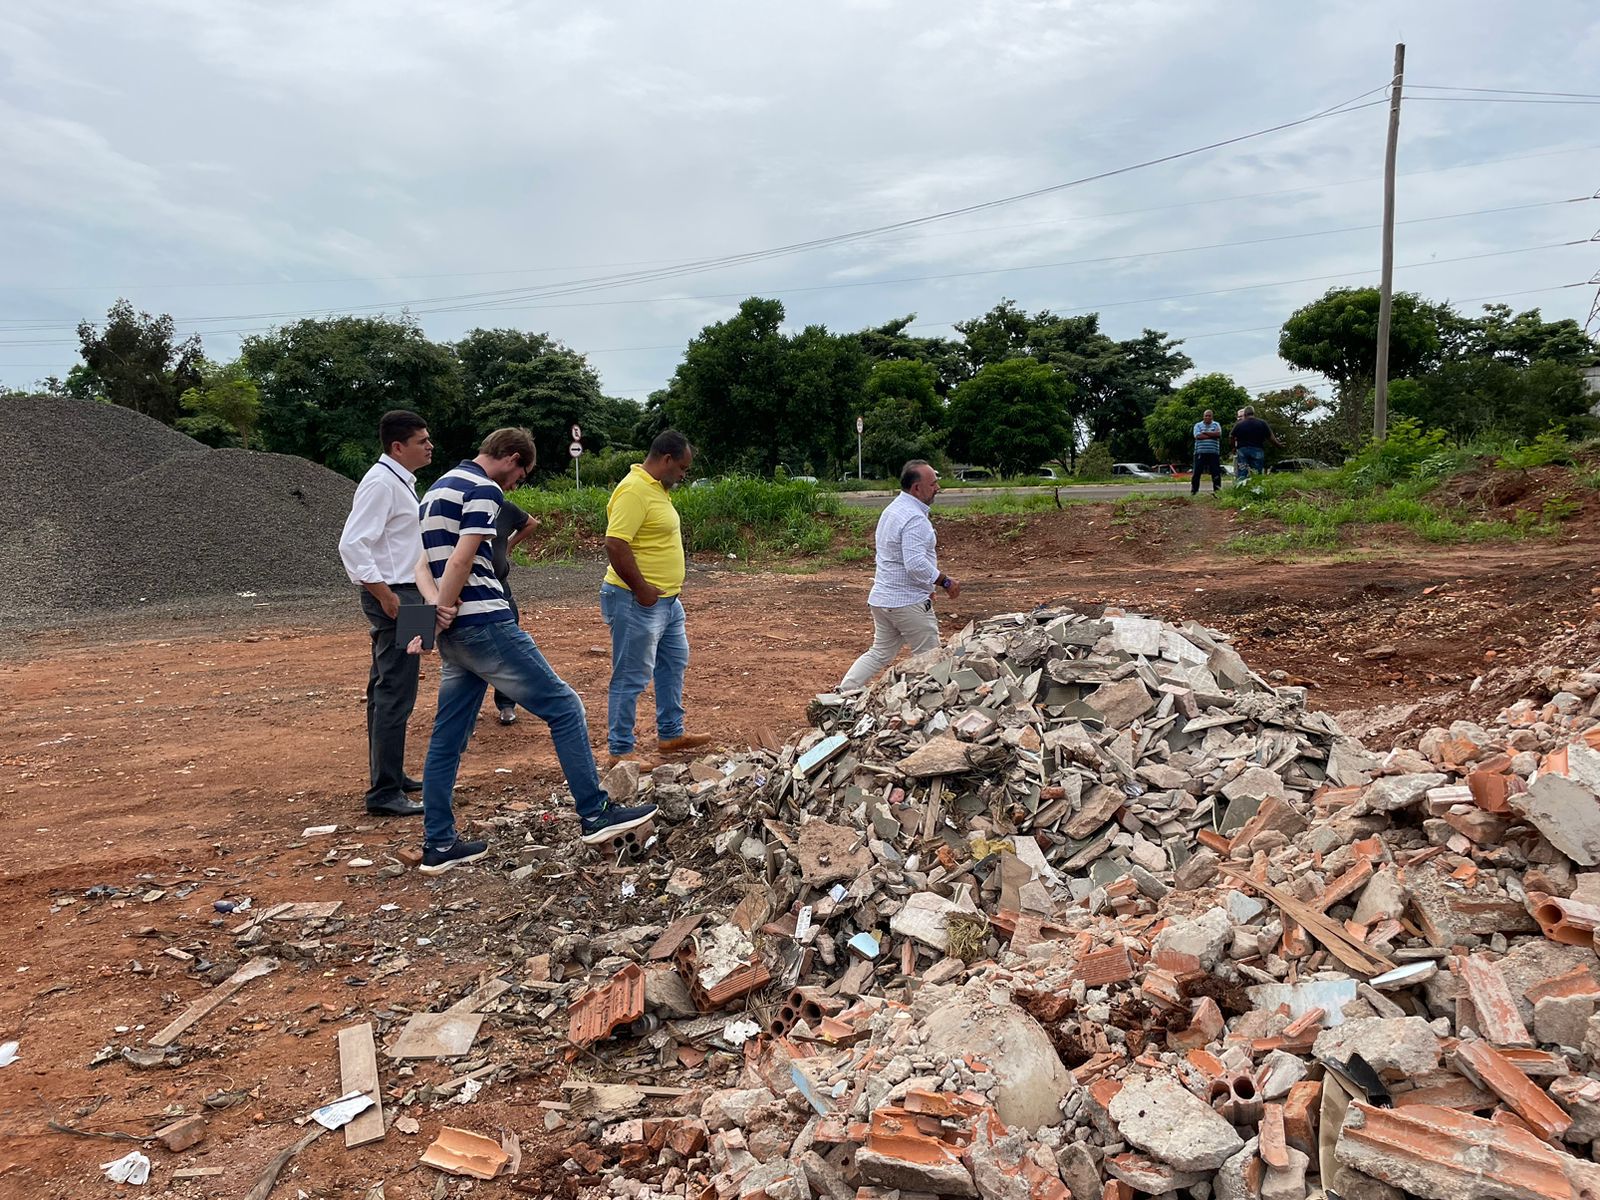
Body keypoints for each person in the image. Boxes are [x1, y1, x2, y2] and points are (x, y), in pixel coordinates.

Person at [414, 427, 654, 874]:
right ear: (510, 456)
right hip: (486, 622)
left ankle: (439, 843)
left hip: (453, 635)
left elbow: (419, 562)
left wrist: (433, 610)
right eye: (519, 475)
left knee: (448, 736)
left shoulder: (436, 488)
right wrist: (445, 604)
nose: (515, 485)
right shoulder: (482, 488)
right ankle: (595, 814)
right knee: (564, 707)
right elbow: (464, 558)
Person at [338, 410, 432, 818]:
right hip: (399, 594)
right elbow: (353, 545)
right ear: (398, 446)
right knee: (396, 691)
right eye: (422, 441)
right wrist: (385, 594)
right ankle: (384, 792)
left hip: (408, 592)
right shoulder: (381, 483)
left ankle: (390, 776)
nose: (430, 447)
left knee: (387, 689)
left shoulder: (399, 482)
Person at [601, 430, 712, 765]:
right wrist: (642, 589)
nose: (683, 475)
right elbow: (615, 543)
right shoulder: (634, 490)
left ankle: (670, 733)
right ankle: (620, 751)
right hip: (635, 600)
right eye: (681, 468)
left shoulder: (657, 489)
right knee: (631, 675)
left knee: (672, 663)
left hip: (667, 603)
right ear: (666, 460)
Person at [838, 460, 960, 692]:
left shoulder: (893, 510)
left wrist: (927, 589)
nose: (938, 488)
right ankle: (925, 711)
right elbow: (914, 563)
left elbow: (895, 558)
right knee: (931, 659)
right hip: (906, 603)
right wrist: (945, 581)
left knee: (879, 652)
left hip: (883, 599)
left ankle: (841, 693)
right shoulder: (914, 519)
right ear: (916, 488)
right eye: (933, 484)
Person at [488, 496, 537, 726]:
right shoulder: (464, 505)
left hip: (500, 586)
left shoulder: (503, 507)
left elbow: (531, 523)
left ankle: (506, 704)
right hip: (471, 589)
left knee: (508, 647)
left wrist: (507, 546)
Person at [1232, 405, 1281, 483]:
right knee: (1257, 473)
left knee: (1242, 471)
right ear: (1253, 413)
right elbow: (1270, 437)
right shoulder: (1262, 423)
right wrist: (1278, 445)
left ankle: (1241, 489)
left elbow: (1231, 436)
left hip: (1242, 450)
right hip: (1257, 449)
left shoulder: (1239, 424)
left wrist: (1233, 447)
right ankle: (1256, 489)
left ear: (1245, 414)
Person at [1191, 408, 1223, 496]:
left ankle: (1217, 492)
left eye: (1209, 416)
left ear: (1212, 417)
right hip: (1200, 452)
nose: (1207, 417)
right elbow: (1197, 436)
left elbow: (1218, 434)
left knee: (1216, 472)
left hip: (1213, 453)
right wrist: (1212, 435)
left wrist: (1205, 432)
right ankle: (1194, 491)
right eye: (1206, 416)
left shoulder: (1216, 424)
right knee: (1196, 473)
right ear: (1203, 416)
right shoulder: (1198, 425)